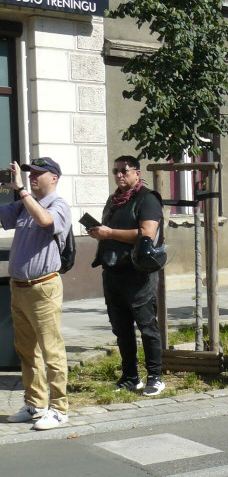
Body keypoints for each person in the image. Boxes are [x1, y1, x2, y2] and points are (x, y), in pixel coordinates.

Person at [1, 158, 72, 430]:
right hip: (18, 287)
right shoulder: (22, 205)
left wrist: (22, 192)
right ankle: (35, 403)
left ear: (53, 178)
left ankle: (59, 408)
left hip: (44, 287)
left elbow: (44, 220)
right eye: (30, 173)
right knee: (26, 351)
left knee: (51, 349)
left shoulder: (58, 205)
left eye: (39, 174)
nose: (32, 177)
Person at [88, 155, 165, 396]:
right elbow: (110, 232)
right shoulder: (115, 200)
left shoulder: (147, 199)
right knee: (121, 328)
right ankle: (130, 376)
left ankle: (156, 376)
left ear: (137, 174)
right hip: (112, 270)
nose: (119, 175)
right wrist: (100, 233)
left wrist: (109, 233)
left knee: (147, 326)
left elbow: (147, 233)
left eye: (124, 170)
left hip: (137, 272)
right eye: (116, 171)